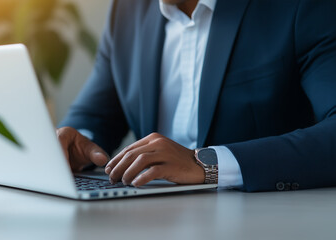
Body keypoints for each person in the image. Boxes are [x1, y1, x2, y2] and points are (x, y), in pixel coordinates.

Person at [57, 0, 336, 192]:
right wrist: (77, 146)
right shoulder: (128, 9)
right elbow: (94, 116)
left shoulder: (299, 6)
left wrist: (207, 163)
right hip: (146, 217)